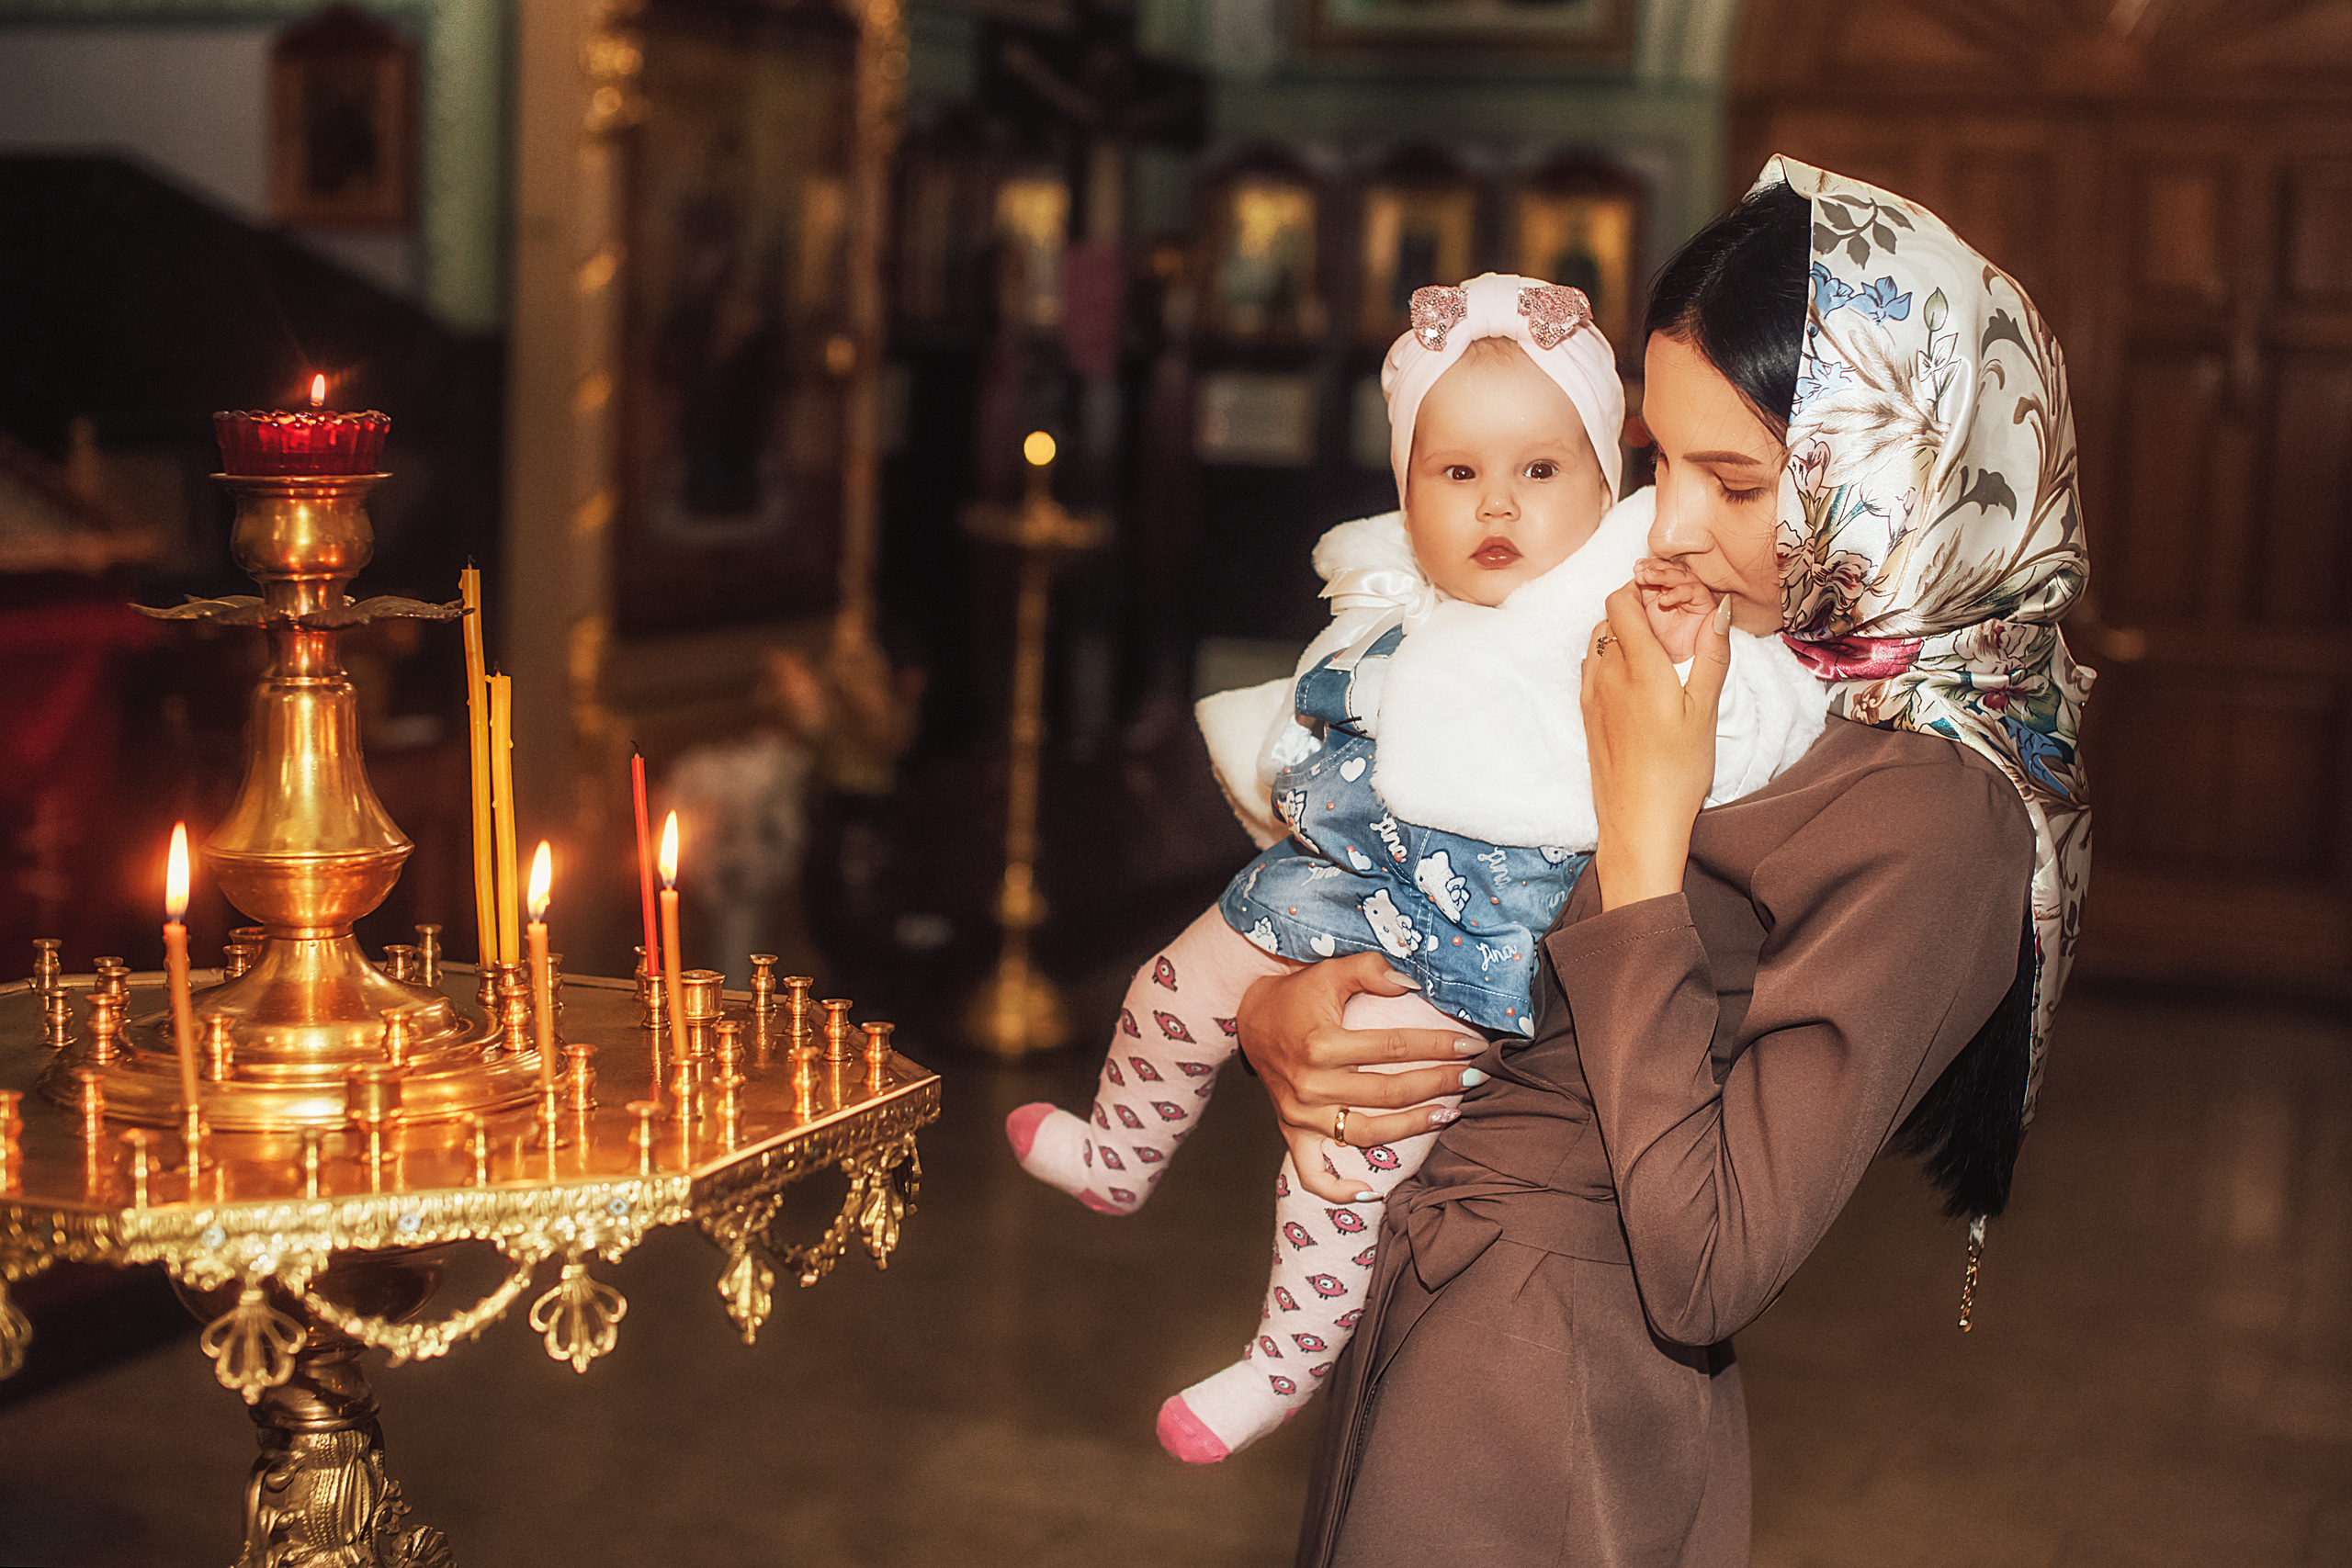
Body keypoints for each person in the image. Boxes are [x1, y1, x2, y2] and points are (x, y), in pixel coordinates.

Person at [1236, 158, 2094, 1565]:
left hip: (1542, 1390)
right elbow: (1435, 870)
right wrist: (1293, 1005)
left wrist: (1644, 831)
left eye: (1737, 480)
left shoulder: (1947, 815)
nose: (1672, 524)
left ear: (1887, 471)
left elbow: (1705, 1266)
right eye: (1658, 459)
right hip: (1429, 1296)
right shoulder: (1748, 658)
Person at [1005, 273, 1829, 1465]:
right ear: (1406, 490)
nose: (1497, 500)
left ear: (1609, 481)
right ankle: (1118, 1157)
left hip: (1462, 942)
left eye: (1541, 471)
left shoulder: (1624, 600)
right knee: (1170, 987)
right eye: (1455, 474)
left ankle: (1280, 1362)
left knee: (1339, 1161)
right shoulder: (1395, 598)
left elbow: (1745, 715)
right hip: (1334, 872)